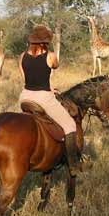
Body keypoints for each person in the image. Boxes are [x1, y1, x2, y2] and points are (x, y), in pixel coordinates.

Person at [18, 25, 81, 177]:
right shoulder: (51, 56)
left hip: (25, 96)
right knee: (70, 125)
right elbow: (55, 66)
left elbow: (26, 79)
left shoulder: (22, 56)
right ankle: (73, 165)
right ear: (45, 42)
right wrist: (48, 87)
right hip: (43, 98)